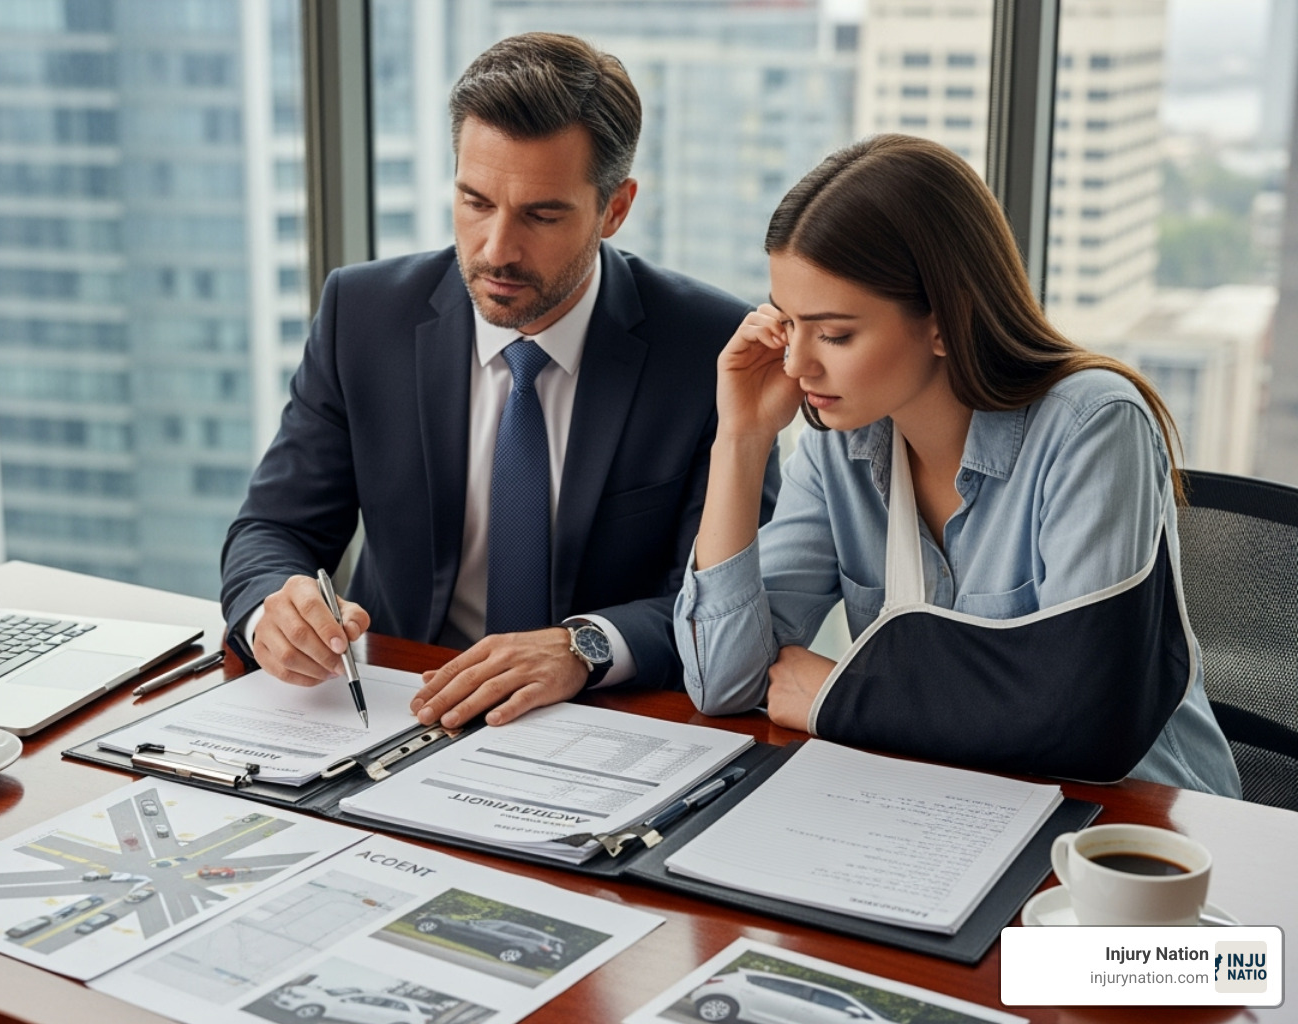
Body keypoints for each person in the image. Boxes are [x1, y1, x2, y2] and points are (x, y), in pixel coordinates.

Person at [222, 32, 778, 730]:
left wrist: (584, 647)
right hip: (394, 710)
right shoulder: (363, 316)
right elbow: (272, 528)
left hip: (605, 724)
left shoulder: (709, 351)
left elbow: (723, 603)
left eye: (542, 215)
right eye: (476, 202)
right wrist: (274, 606)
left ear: (615, 208)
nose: (496, 249)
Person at [675, 134, 1240, 795]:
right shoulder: (839, 446)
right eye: (788, 324)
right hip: (951, 805)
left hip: (1132, 827)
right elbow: (724, 681)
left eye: (834, 334)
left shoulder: (1093, 425)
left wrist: (843, 694)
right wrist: (740, 439)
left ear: (946, 320)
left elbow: (1082, 721)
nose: (798, 364)